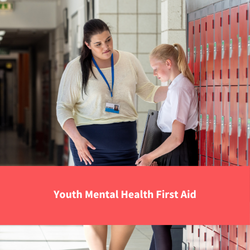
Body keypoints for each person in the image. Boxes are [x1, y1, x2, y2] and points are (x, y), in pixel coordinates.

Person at [56, 19, 167, 250]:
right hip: (90, 151)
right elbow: (63, 108)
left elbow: (147, 91)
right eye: (98, 44)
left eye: (108, 40)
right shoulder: (76, 68)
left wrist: (178, 88)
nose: (105, 47)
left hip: (125, 149)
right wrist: (76, 139)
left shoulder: (128, 60)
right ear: (87, 45)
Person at [136, 43, 198, 250]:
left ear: (168, 63)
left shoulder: (180, 89)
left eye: (155, 68)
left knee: (159, 219)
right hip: (171, 153)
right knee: (160, 220)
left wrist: (149, 157)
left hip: (177, 152)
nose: (154, 73)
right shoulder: (175, 87)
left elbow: (177, 137)